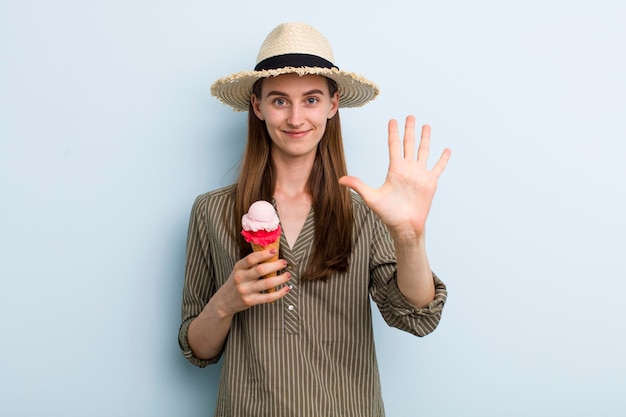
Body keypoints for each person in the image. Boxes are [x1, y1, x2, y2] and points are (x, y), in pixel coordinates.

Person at [179, 22, 451, 417]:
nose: (295, 118)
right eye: (279, 100)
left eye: (310, 100)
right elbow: (198, 349)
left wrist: (410, 236)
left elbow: (417, 316)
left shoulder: (364, 212)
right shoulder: (211, 212)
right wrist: (226, 302)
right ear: (257, 106)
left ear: (332, 105)